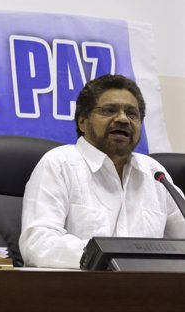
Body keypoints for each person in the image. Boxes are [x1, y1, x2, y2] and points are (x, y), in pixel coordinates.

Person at [19, 74, 185, 268]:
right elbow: (38, 244)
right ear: (82, 121)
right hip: (79, 293)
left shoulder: (155, 174)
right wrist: (109, 259)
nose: (123, 119)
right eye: (109, 110)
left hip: (148, 292)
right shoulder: (60, 163)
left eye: (132, 114)